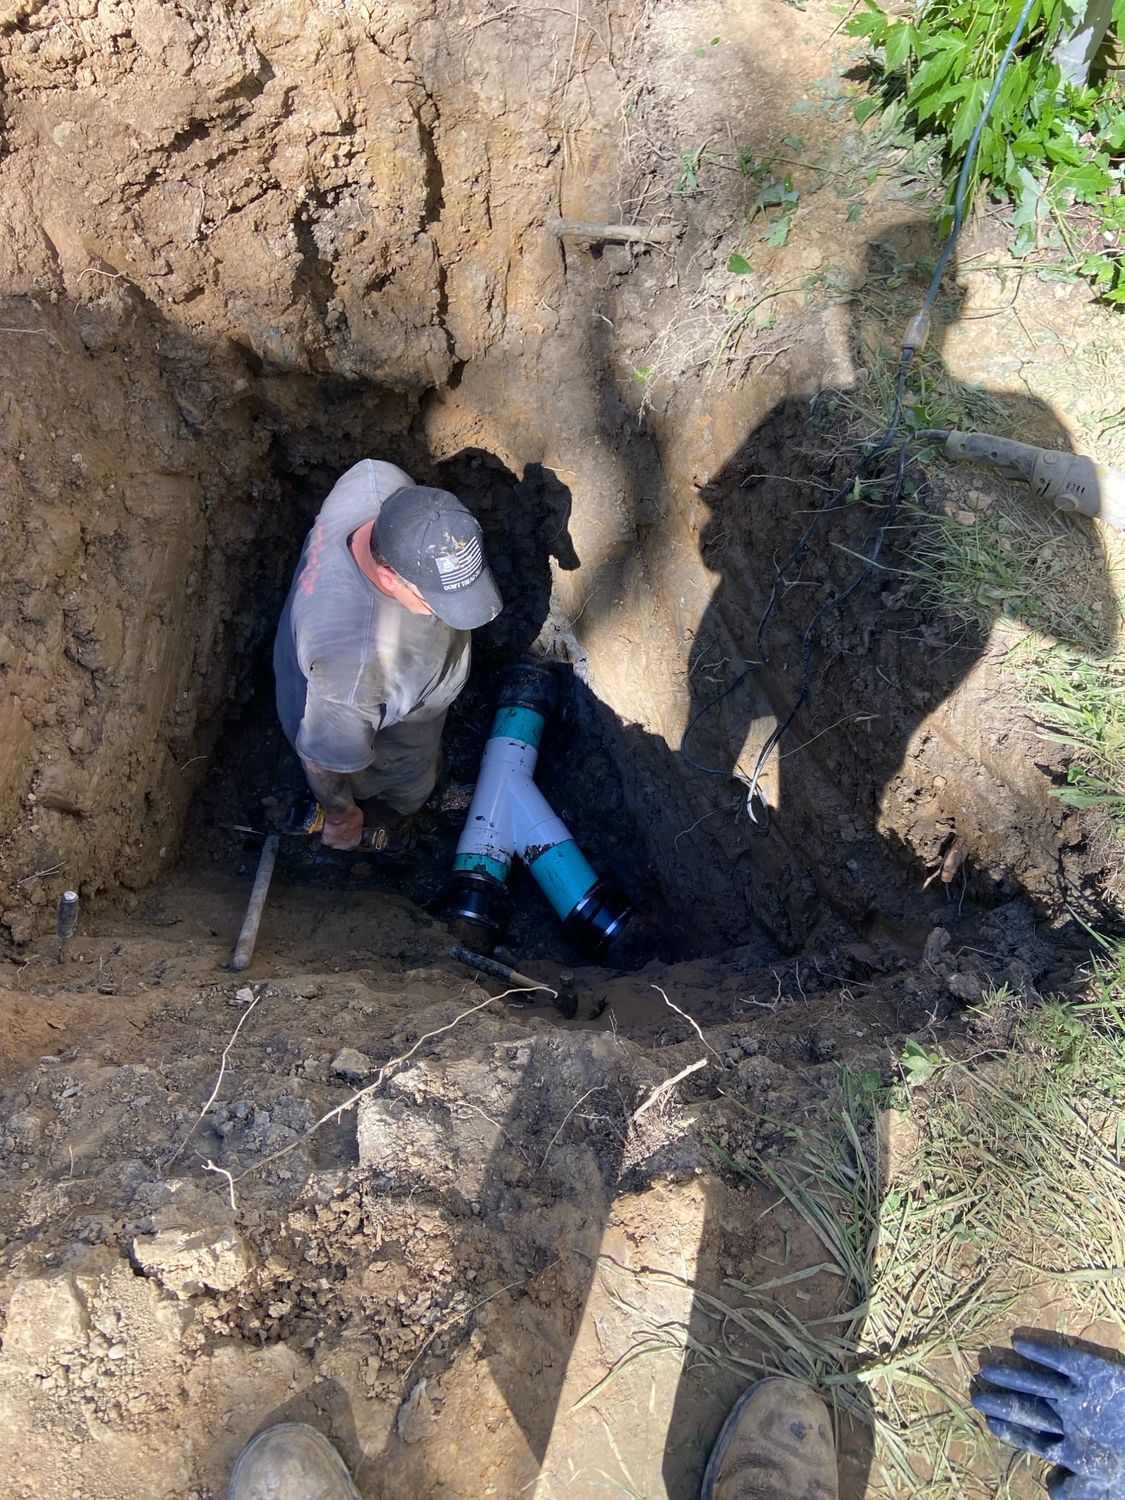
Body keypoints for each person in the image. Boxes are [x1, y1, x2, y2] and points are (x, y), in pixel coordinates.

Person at [273, 459, 502, 852]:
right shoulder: (357, 670)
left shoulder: (377, 480)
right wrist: (341, 814)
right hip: (349, 715)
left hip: (345, 686)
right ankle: (392, 813)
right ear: (389, 577)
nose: (446, 614)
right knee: (405, 781)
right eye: (436, 603)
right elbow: (323, 761)